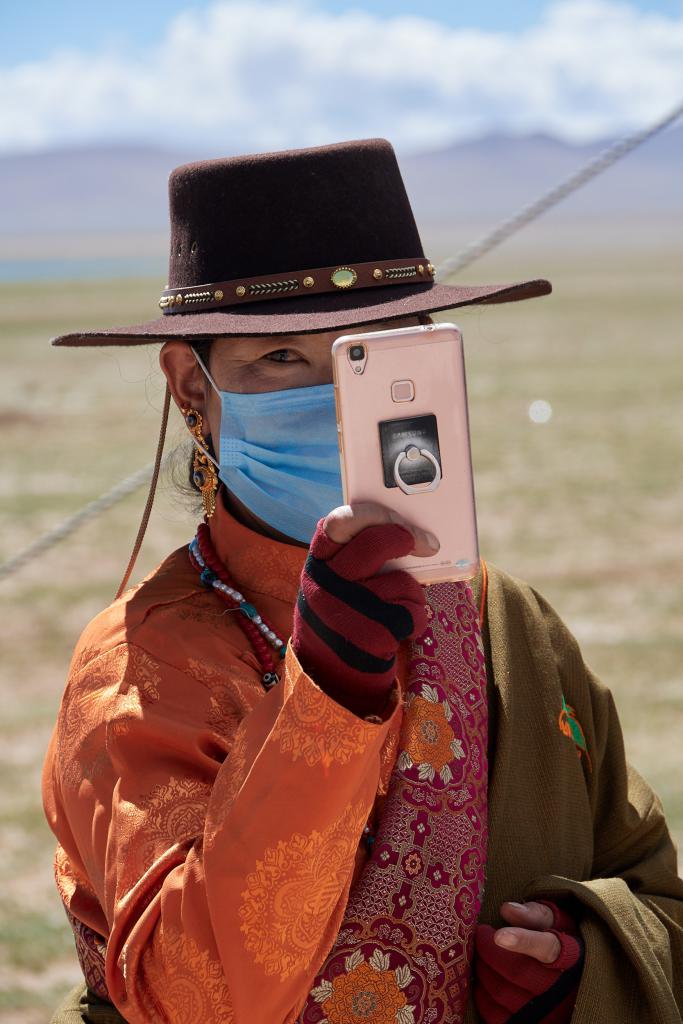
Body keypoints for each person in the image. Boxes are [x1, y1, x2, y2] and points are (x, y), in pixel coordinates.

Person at [43, 138, 683, 1024]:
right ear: (191, 383)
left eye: (372, 354)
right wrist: (327, 703)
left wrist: (581, 968)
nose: (338, 400)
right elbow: (191, 998)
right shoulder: (145, 665)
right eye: (280, 361)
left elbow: (648, 877)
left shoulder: (506, 619)